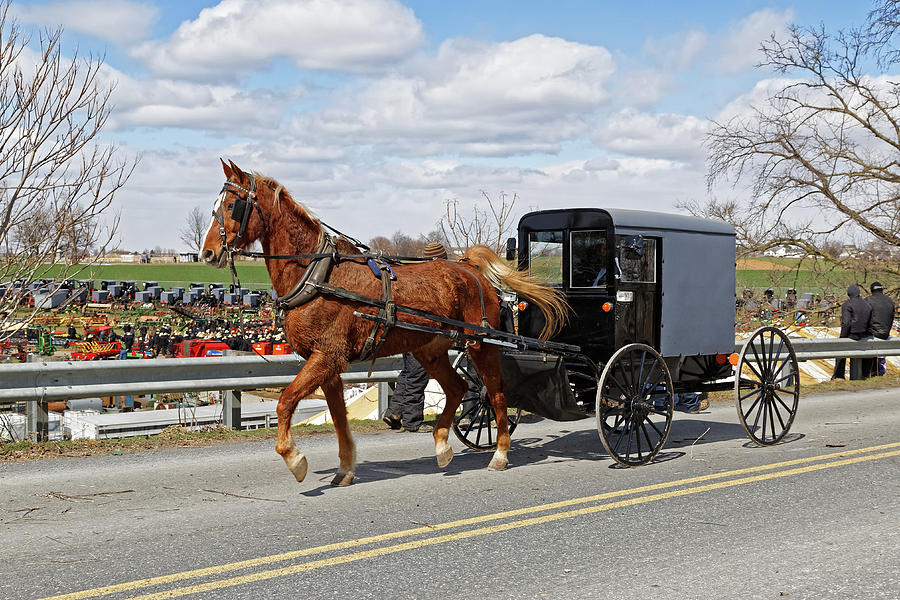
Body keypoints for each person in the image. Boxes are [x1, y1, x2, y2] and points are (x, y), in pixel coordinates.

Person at [382, 242, 449, 433]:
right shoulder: (433, 279)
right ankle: (412, 422)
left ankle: (393, 412)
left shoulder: (415, 275)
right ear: (439, 260)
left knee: (409, 373)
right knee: (417, 375)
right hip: (420, 333)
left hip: (406, 331)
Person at [832, 284, 873, 380]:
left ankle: (838, 376)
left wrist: (843, 337)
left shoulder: (847, 305)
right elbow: (870, 322)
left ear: (849, 294)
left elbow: (846, 323)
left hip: (852, 335)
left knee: (840, 352)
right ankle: (865, 375)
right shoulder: (867, 304)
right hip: (864, 336)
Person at [865, 281, 895, 376]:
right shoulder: (890, 300)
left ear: (871, 290)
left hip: (873, 333)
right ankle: (877, 371)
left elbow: (865, 319)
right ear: (882, 289)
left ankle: (867, 373)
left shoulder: (867, 300)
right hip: (886, 333)